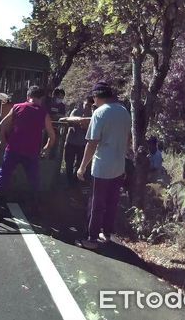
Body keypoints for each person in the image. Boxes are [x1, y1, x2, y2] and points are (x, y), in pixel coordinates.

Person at [76, 81, 132, 249]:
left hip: (102, 166)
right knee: (111, 202)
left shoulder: (100, 113)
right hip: (119, 165)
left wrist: (82, 166)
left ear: (97, 96)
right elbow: (128, 138)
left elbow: (92, 143)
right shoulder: (124, 111)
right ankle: (106, 233)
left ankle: (91, 239)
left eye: (94, 98)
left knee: (96, 203)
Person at [0, 86, 56, 219]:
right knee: (34, 181)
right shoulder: (43, 113)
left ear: (28, 96)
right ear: (41, 99)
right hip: (31, 153)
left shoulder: (17, 107)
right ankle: (34, 210)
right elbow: (52, 135)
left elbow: (1, 125)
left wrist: (3, 141)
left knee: (2, 178)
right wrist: (47, 147)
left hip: (13, 149)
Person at [63, 95, 94, 184]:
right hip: (71, 142)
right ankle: (69, 182)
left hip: (83, 144)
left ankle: (75, 182)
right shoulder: (76, 111)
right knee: (69, 163)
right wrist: (79, 121)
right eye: (87, 105)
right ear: (83, 103)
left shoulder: (93, 115)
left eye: (90, 106)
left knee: (79, 164)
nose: (88, 107)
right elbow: (69, 121)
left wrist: (86, 124)